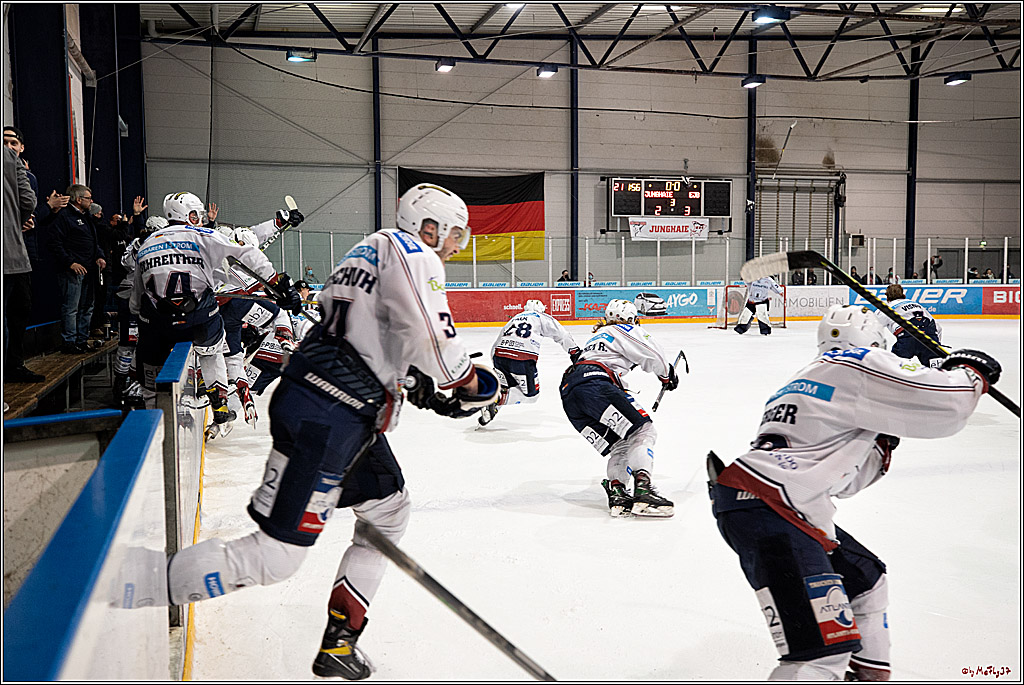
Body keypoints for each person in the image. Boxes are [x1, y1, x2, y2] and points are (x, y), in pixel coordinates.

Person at [140, 184, 498, 681]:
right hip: (327, 415)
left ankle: (340, 642)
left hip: (341, 411)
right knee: (275, 558)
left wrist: (413, 383)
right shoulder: (417, 253)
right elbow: (433, 338)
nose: (457, 245)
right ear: (429, 226)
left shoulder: (367, 249)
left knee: (390, 510)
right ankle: (140, 584)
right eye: (454, 233)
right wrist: (472, 382)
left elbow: (369, 337)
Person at [707, 303, 1001, 680]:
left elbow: (844, 483)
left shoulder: (803, 379)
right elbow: (949, 406)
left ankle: (867, 674)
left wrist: (882, 440)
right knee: (818, 655)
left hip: (769, 503)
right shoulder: (858, 362)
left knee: (866, 581)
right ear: (873, 342)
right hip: (774, 506)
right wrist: (971, 372)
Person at [131, 191, 300, 425]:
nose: (199, 217)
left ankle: (149, 404)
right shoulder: (205, 235)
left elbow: (136, 299)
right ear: (185, 215)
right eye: (195, 213)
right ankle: (218, 397)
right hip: (199, 317)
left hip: (158, 322)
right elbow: (249, 251)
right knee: (214, 343)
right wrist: (278, 283)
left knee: (148, 349)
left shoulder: (146, 244)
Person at [559, 299, 678, 518]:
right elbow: (654, 354)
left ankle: (618, 494)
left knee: (621, 444)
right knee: (643, 432)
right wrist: (667, 374)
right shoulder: (624, 329)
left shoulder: (598, 337)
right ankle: (643, 491)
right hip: (595, 385)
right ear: (632, 318)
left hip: (570, 393)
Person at [478, 299, 579, 426]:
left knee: (507, 387)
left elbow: (496, 343)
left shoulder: (514, 318)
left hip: (499, 356)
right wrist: (575, 353)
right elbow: (562, 335)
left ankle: (491, 408)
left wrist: (497, 364)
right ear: (541, 309)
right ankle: (495, 399)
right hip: (522, 360)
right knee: (532, 396)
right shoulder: (541, 317)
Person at [113, 215, 166, 407]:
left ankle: (143, 383)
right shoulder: (136, 243)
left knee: (148, 343)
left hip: (152, 298)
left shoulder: (164, 244)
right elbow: (125, 263)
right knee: (128, 341)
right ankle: (121, 382)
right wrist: (139, 246)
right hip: (130, 295)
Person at [47, 184, 106, 353]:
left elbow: (93, 241)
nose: (91, 201)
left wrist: (99, 256)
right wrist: (70, 262)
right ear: (78, 199)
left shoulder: (86, 217)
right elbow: (55, 243)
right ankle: (69, 342)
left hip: (89, 270)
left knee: (87, 306)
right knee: (71, 307)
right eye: (88, 198)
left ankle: (82, 339)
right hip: (72, 270)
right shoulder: (64, 217)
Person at [3, 143, 41, 383]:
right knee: (17, 314)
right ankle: (13, 366)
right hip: (12, 253)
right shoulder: (10, 157)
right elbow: (29, 201)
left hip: (14, 256)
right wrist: (18, 221)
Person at [876, 283, 943, 367]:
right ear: (903, 294)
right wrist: (936, 345)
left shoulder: (887, 308)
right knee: (937, 371)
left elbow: (874, 325)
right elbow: (938, 328)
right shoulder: (917, 305)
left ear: (887, 297)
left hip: (908, 338)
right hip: (929, 339)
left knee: (895, 369)